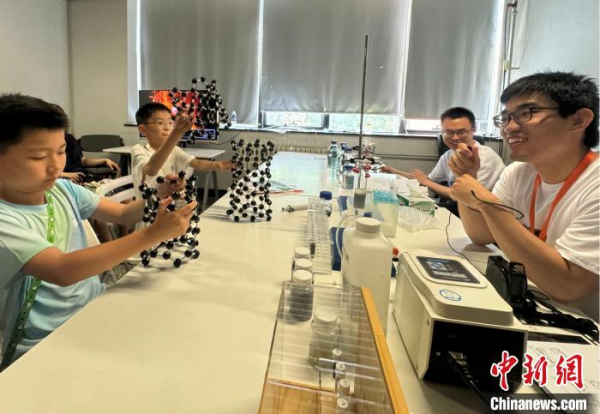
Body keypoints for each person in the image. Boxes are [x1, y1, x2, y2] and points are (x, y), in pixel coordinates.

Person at [0, 94, 197, 368]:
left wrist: (157, 195)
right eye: (38, 156)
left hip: (93, 308)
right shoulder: (5, 221)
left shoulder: (63, 190)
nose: (56, 165)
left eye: (61, 151)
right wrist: (152, 235)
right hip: (42, 342)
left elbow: (123, 214)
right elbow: (62, 270)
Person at [448, 72, 599, 319]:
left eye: (527, 113)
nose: (509, 127)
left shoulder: (594, 183)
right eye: (506, 117)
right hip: (535, 308)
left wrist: (485, 202)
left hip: (586, 327)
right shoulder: (519, 172)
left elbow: (568, 288)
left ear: (578, 120)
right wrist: (469, 178)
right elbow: (480, 235)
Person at [131, 103, 233, 229]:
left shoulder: (174, 150)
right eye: (160, 122)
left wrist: (220, 165)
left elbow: (196, 163)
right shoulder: (139, 151)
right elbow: (150, 170)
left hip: (172, 217)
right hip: (150, 222)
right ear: (143, 129)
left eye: (170, 122)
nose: (167, 127)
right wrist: (176, 133)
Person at [381, 107, 505, 200]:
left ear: (473, 130)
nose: (455, 138)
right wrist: (395, 172)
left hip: (486, 214)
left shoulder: (484, 157)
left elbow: (468, 196)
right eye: (449, 132)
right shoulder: (448, 155)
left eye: (461, 132)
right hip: (464, 208)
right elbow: (427, 179)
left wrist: (426, 182)